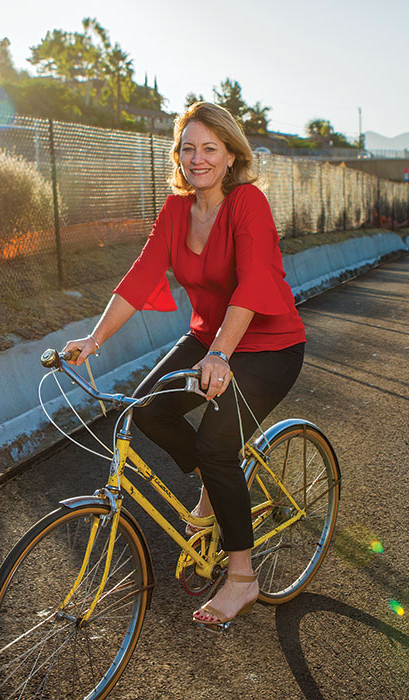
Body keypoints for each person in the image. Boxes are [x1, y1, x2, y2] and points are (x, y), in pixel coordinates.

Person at [63, 102, 306, 629]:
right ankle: (218, 489)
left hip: (268, 346)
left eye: (209, 148)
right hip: (208, 338)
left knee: (219, 445)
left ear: (230, 155)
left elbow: (255, 283)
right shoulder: (175, 212)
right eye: (188, 148)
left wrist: (222, 353)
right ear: (178, 155)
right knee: (146, 412)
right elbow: (141, 275)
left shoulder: (248, 205)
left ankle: (242, 578)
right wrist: (95, 338)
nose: (197, 159)